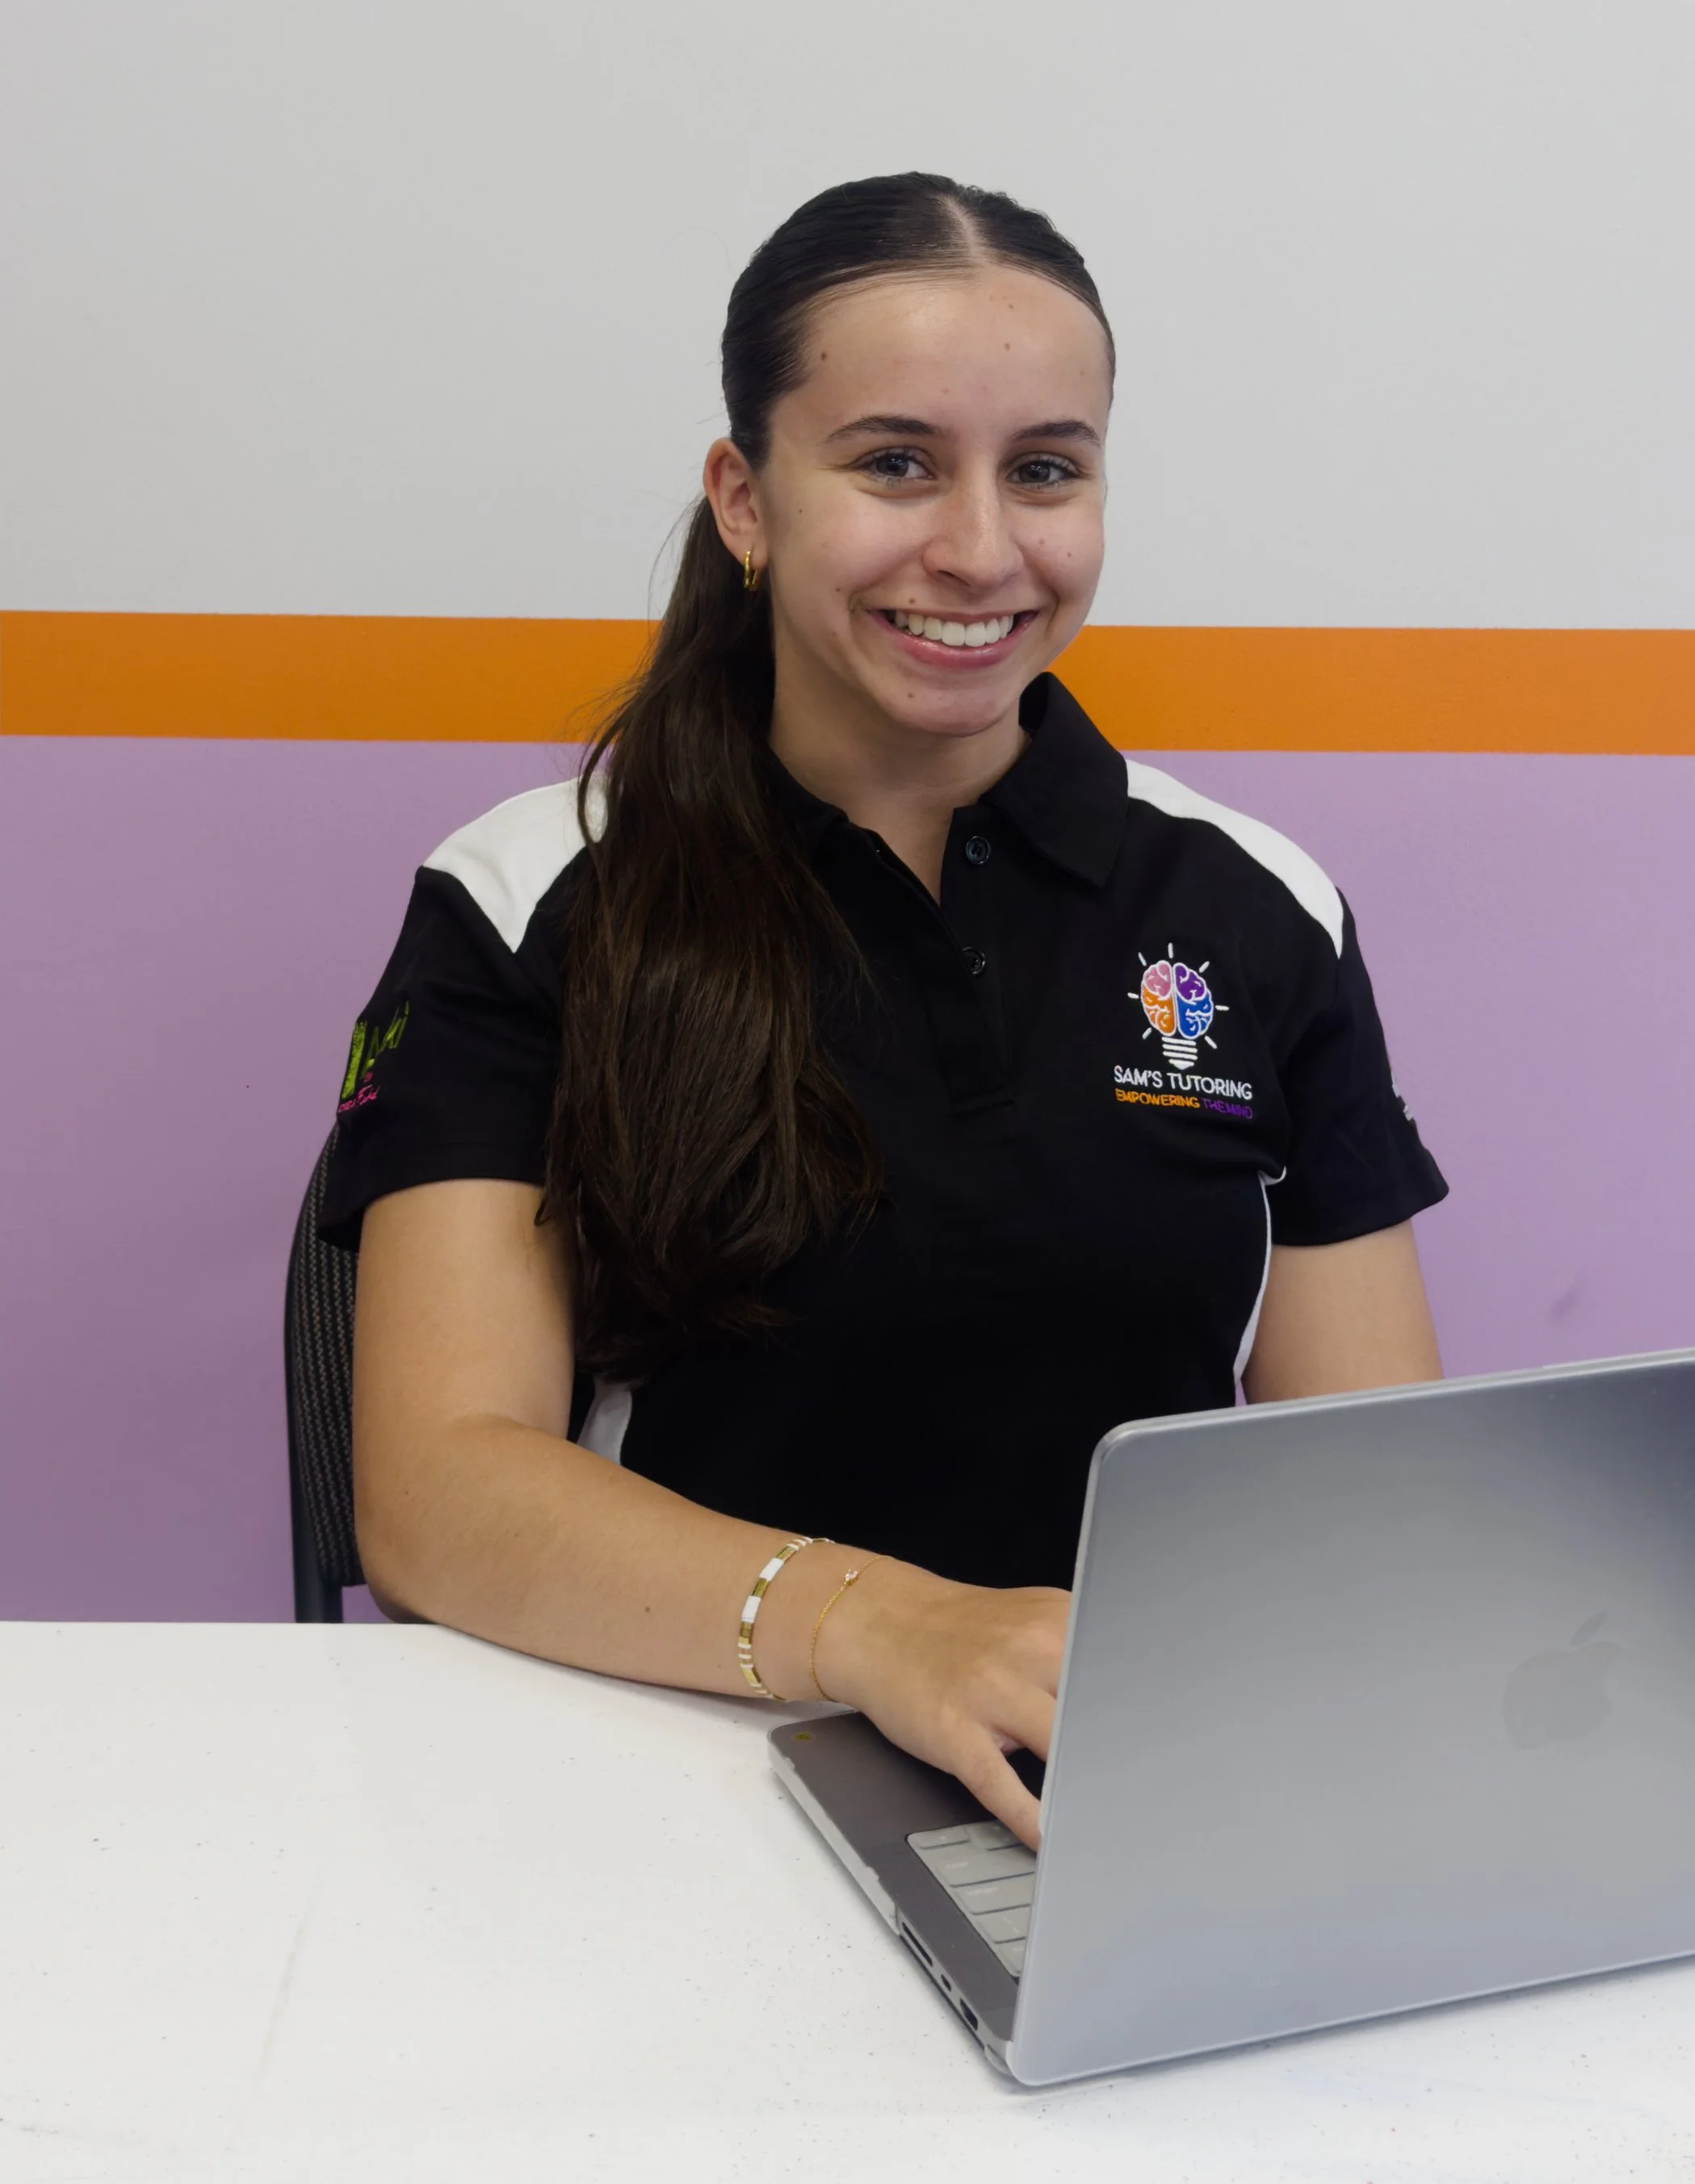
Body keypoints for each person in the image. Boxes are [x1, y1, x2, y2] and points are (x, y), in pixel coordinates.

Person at [329, 172, 1447, 1848]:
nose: (981, 550)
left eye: (1045, 470)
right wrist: (882, 1630)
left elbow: (1369, 1491)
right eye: (896, 463)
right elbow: (435, 1493)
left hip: (1131, 1802)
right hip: (655, 1785)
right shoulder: (528, 899)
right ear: (746, 499)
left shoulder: (1254, 907)